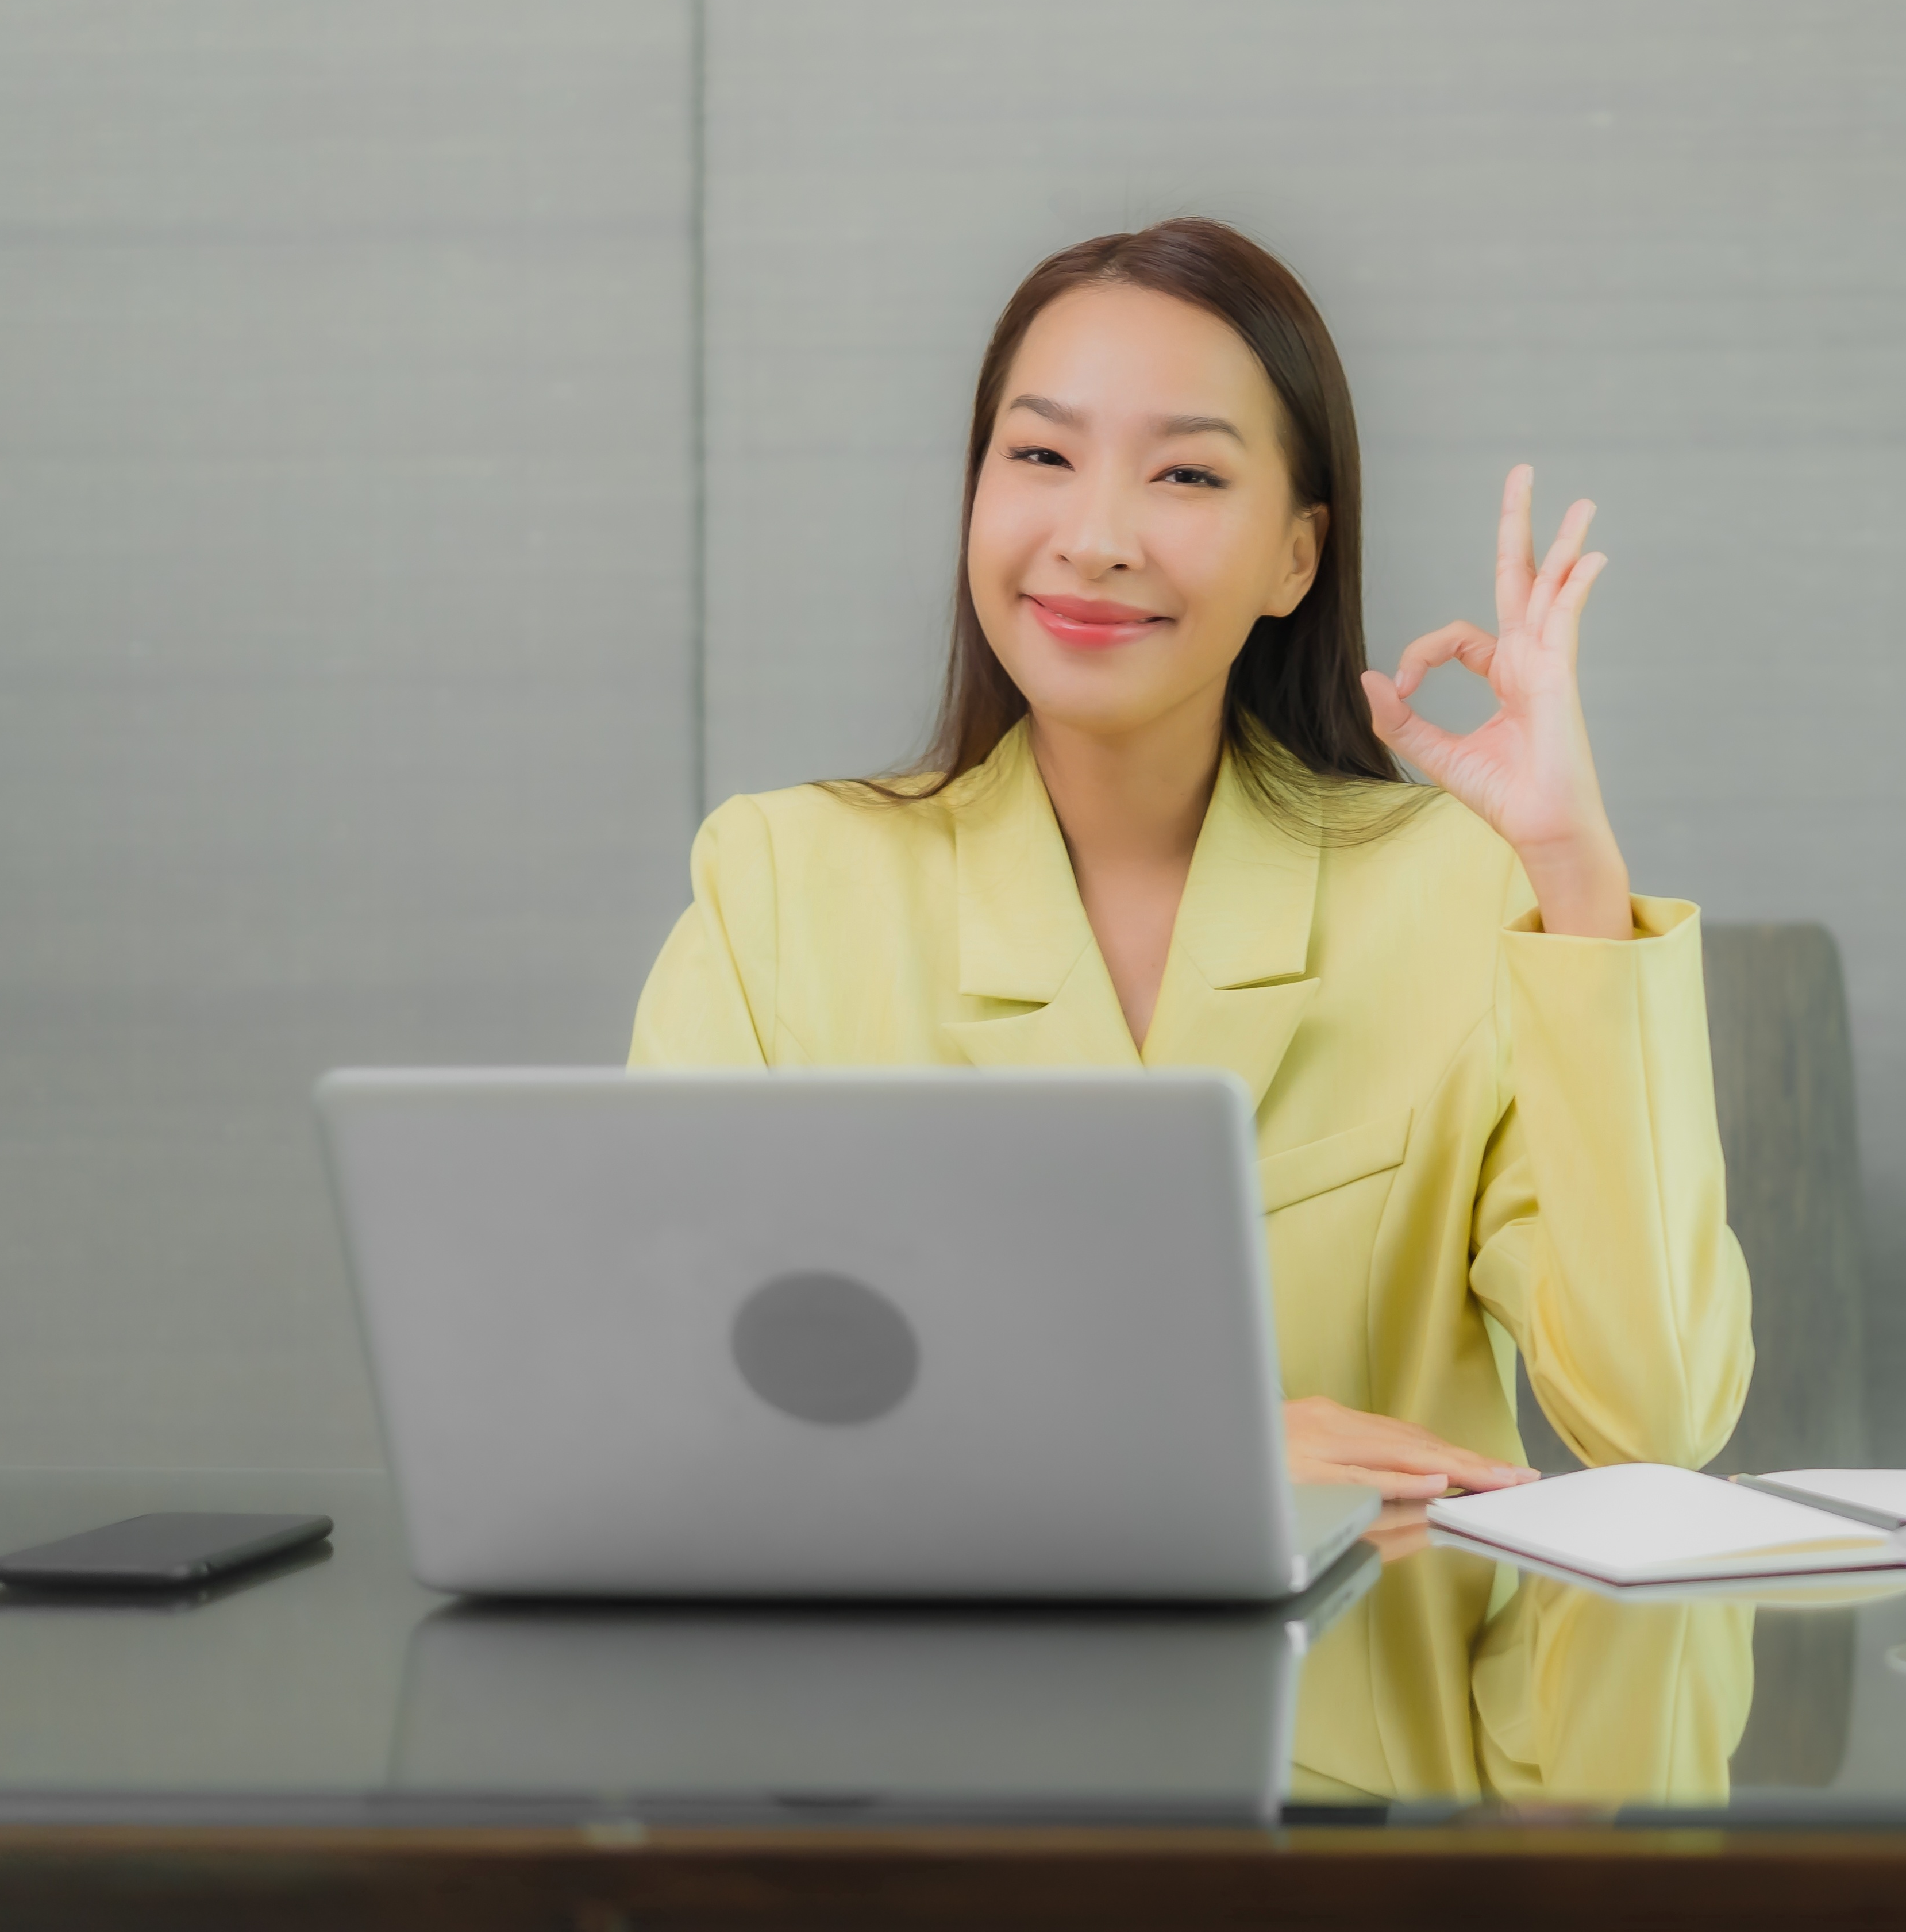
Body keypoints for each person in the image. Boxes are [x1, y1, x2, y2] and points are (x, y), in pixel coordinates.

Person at [629, 220, 1752, 1501]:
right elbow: (688, 1397)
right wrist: (1192, 1452)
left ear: (1297, 556)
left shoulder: (1461, 890)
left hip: (1376, 1682)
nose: (1096, 535)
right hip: (936, 1694)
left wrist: (1576, 878)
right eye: (1041, 454)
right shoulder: (782, 886)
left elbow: (1656, 1419)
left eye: (1187, 477)